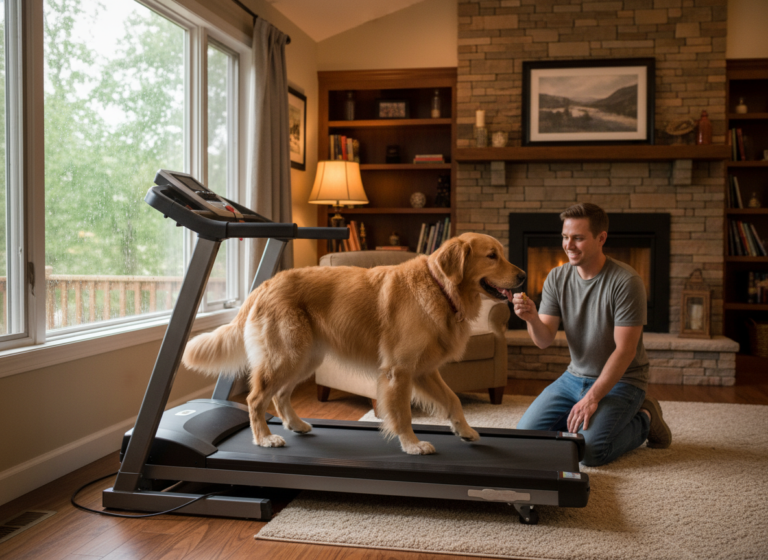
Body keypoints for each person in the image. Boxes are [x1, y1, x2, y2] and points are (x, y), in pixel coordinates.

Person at [512, 203, 671, 466]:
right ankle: (580, 420)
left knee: (590, 452)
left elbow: (625, 351)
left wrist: (592, 399)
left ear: (601, 238)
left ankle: (645, 418)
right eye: (565, 237)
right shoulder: (556, 277)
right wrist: (531, 318)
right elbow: (543, 340)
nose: (568, 245)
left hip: (624, 381)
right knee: (525, 439)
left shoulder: (626, 282)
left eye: (578, 238)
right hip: (574, 378)